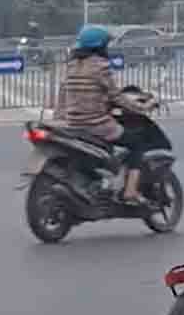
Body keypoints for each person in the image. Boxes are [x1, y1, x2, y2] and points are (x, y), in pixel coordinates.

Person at [53, 25, 157, 204]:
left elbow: (63, 95)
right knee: (137, 143)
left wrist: (59, 118)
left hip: (73, 125)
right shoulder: (100, 66)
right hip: (96, 124)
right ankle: (130, 192)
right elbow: (116, 97)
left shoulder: (70, 66)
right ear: (100, 47)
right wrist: (143, 108)